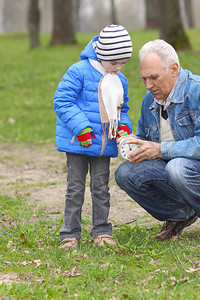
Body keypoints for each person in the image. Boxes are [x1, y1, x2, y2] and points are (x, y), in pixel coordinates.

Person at [115, 39, 200, 242]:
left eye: (153, 77)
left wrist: (161, 150)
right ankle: (178, 215)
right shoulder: (150, 98)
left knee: (177, 167)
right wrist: (135, 143)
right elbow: (145, 137)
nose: (148, 85)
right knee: (125, 173)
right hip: (178, 174)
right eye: (143, 79)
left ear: (174, 69)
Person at [54, 24, 133, 250]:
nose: (118, 68)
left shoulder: (120, 80)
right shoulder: (78, 71)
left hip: (104, 145)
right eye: (114, 63)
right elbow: (62, 102)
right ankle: (69, 233)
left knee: (101, 188)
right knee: (75, 188)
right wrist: (82, 128)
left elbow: (121, 109)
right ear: (102, 55)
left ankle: (101, 230)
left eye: (123, 63)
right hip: (79, 142)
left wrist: (123, 129)